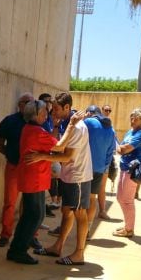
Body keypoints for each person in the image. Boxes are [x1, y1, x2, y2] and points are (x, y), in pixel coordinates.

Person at [7, 100, 76, 264]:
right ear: (35, 115)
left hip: (35, 178)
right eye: (44, 112)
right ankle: (18, 250)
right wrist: (72, 125)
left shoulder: (33, 129)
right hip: (33, 178)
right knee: (34, 215)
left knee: (34, 215)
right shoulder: (36, 131)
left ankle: (19, 246)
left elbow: (51, 142)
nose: (47, 115)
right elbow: (59, 146)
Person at [36, 92, 91, 265]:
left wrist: (41, 157)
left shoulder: (78, 127)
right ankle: (58, 246)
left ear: (67, 108)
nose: (53, 112)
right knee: (66, 211)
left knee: (80, 213)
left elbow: (66, 156)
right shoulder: (65, 123)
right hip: (69, 176)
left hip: (78, 177)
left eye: (57, 108)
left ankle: (79, 254)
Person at [0, 93, 33, 247]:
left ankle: (30, 235)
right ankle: (5, 235)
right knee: (10, 203)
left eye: (33, 102)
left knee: (30, 204)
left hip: (32, 170)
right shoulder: (9, 121)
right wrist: (10, 155)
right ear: (20, 104)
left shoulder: (37, 121)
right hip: (13, 167)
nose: (31, 105)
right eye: (27, 102)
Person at [113, 109, 141, 238]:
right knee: (120, 198)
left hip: (133, 170)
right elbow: (122, 148)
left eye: (136, 118)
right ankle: (128, 225)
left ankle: (129, 229)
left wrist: (119, 147)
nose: (132, 120)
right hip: (125, 167)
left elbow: (124, 149)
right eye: (131, 118)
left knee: (127, 200)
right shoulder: (130, 132)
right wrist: (120, 148)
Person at [82, 105, 116, 232]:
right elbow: (110, 152)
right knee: (92, 199)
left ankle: (77, 227)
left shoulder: (89, 122)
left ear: (90, 113)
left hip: (85, 168)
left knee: (78, 200)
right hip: (99, 169)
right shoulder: (110, 129)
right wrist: (104, 166)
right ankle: (88, 229)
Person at [100, 104, 118, 213]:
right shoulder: (97, 123)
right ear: (102, 110)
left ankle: (102, 211)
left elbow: (114, 140)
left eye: (109, 110)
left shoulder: (110, 126)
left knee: (102, 187)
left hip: (105, 160)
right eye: (106, 110)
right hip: (96, 159)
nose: (108, 112)